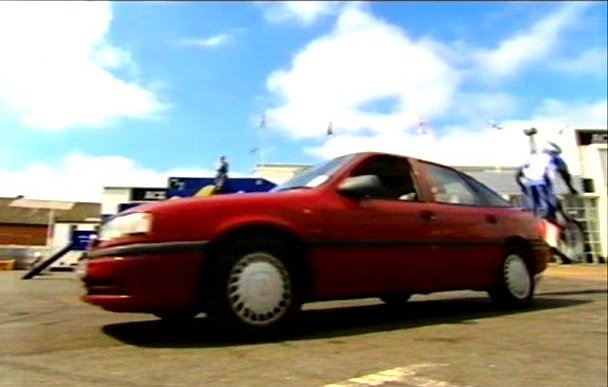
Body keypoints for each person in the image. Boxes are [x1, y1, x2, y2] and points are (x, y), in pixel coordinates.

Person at [515, 141, 578, 225]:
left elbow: (519, 173)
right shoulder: (555, 159)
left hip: (529, 184)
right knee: (548, 207)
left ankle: (536, 222)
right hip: (543, 184)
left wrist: (521, 185)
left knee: (532, 208)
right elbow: (565, 174)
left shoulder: (533, 158)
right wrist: (571, 187)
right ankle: (550, 222)